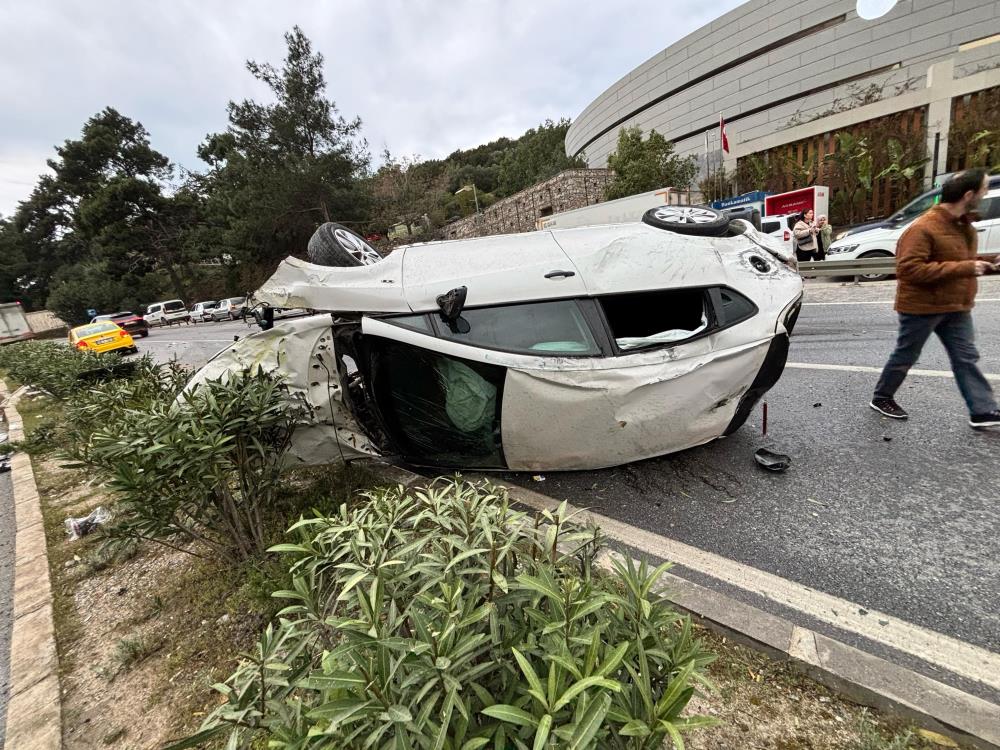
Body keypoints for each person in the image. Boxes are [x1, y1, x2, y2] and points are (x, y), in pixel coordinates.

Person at [870, 168, 1000, 428]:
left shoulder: (964, 225)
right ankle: (882, 396)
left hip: (956, 306)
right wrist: (967, 268)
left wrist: (988, 263)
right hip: (922, 307)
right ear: (969, 194)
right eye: (984, 190)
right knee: (906, 355)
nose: (986, 194)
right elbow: (908, 270)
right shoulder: (923, 228)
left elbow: (956, 260)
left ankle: (983, 411)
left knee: (966, 357)